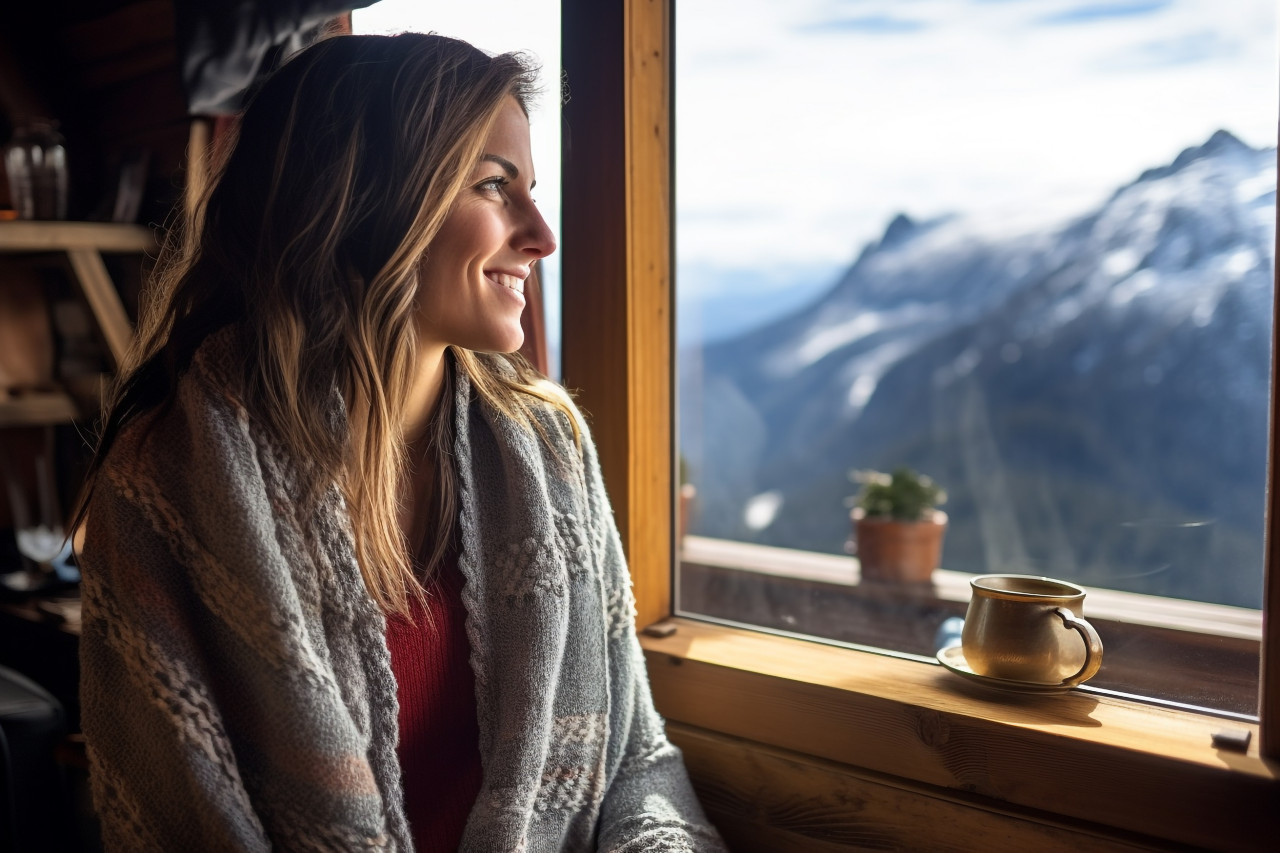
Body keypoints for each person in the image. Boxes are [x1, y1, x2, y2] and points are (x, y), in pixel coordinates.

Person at [73, 32, 726, 852]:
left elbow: (636, 760)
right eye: (495, 186)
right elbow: (171, 829)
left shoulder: (551, 449)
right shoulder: (165, 485)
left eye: (531, 190)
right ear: (362, 200)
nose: (541, 235)